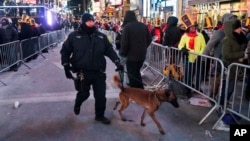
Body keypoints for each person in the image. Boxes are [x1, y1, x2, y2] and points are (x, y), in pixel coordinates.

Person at [60, 13, 123, 124]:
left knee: (101, 96)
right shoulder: (74, 36)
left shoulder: (101, 36)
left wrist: (117, 61)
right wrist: (65, 66)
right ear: (83, 22)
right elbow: (65, 51)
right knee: (84, 94)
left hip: (98, 71)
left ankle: (99, 115)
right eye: (88, 21)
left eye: (92, 20)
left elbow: (109, 50)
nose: (91, 22)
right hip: (83, 72)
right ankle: (78, 102)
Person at [119, 10, 152, 89]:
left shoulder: (127, 27)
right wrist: (143, 47)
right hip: (141, 55)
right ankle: (141, 91)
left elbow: (124, 43)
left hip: (131, 56)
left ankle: (138, 93)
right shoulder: (142, 26)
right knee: (136, 73)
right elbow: (149, 39)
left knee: (132, 75)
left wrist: (123, 53)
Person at [220, 19, 248, 105]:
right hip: (229, 67)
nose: (240, 29)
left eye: (239, 27)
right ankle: (222, 104)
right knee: (228, 88)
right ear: (231, 29)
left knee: (230, 88)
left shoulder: (240, 37)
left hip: (236, 67)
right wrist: (242, 54)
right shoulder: (227, 40)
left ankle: (224, 102)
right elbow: (226, 55)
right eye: (237, 28)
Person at [178, 14, 206, 98]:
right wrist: (183, 49)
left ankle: (197, 88)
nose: (193, 28)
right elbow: (180, 45)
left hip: (198, 58)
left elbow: (204, 46)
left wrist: (199, 55)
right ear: (188, 28)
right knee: (188, 75)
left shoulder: (200, 35)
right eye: (191, 27)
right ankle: (188, 89)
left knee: (198, 74)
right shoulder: (185, 36)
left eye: (194, 27)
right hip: (188, 59)